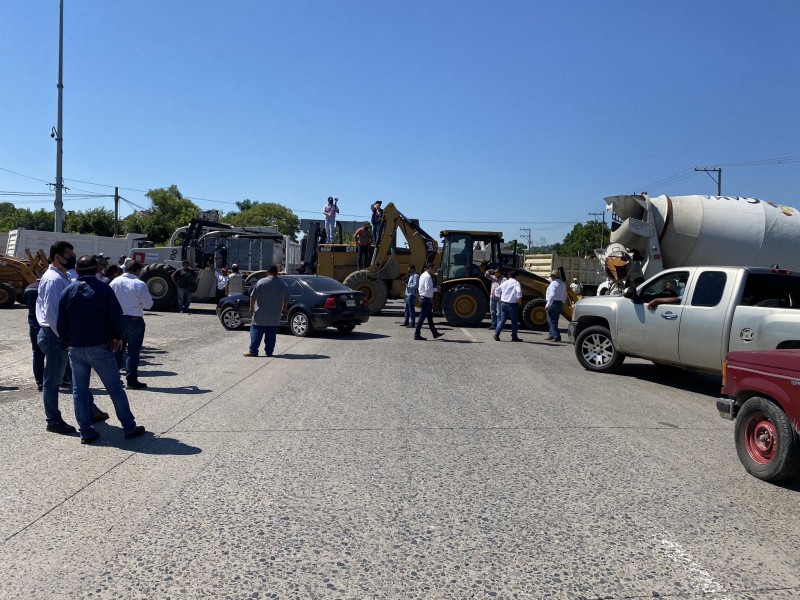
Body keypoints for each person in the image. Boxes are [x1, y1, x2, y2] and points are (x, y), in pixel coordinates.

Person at [57, 255, 145, 444]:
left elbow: (61, 322)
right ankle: (129, 427)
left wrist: (66, 342)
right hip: (99, 347)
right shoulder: (103, 289)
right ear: (97, 270)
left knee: (79, 391)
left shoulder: (68, 291)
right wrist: (118, 337)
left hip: (76, 348)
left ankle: (85, 431)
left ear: (77, 271)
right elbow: (116, 316)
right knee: (115, 388)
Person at [37, 241, 107, 434]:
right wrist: (65, 339)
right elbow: (52, 314)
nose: (73, 259)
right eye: (70, 256)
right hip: (55, 336)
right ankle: (53, 420)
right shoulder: (53, 280)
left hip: (59, 336)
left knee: (77, 378)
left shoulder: (63, 276)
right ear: (58, 257)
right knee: (53, 381)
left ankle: (91, 410)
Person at [110, 260, 153, 389]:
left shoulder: (114, 282)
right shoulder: (139, 284)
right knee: (133, 351)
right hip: (134, 320)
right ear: (138, 270)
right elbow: (148, 305)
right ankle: (131, 380)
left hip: (118, 320)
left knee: (117, 350)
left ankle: (114, 379)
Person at [244, 265, 289, 357]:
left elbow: (253, 296)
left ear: (267, 272)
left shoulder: (261, 282)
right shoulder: (283, 284)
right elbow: (287, 298)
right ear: (277, 273)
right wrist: (284, 308)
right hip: (275, 315)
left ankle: (253, 351)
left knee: (256, 333)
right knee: (271, 335)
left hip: (261, 315)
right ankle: (269, 352)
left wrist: (251, 307)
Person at [23, 280, 44, 391]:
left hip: (34, 325)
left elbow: (25, 302)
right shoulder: (47, 287)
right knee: (55, 354)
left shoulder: (29, 288)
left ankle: (40, 382)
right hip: (46, 325)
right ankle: (62, 379)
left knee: (37, 354)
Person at [414, 263, 444, 341]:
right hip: (426, 299)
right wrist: (436, 289)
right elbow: (428, 289)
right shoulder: (427, 277)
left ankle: (435, 333)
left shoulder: (423, 275)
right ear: (429, 268)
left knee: (429, 318)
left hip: (424, 298)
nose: (435, 270)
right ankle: (417, 334)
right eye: (434, 269)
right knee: (422, 317)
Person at [494, 271, 522, 342]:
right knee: (514, 321)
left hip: (503, 303)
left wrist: (499, 297)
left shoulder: (504, 282)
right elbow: (519, 291)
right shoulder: (516, 283)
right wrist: (519, 299)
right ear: (516, 276)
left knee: (502, 319)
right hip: (512, 304)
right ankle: (514, 336)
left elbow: (497, 290)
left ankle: (497, 334)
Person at [545, 271, 567, 342]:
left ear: (554, 276)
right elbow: (565, 294)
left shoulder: (553, 284)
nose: (551, 277)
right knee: (555, 320)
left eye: (552, 276)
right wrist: (562, 302)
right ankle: (551, 334)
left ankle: (556, 336)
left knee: (551, 320)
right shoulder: (562, 284)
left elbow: (551, 295)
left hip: (553, 303)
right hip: (559, 303)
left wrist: (548, 304)